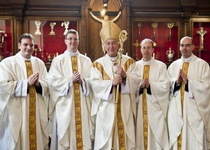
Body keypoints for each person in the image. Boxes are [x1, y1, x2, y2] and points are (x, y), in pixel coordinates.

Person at [90, 20, 137, 150]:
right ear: (104, 46)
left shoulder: (129, 62)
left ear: (118, 44)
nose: (111, 46)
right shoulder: (97, 64)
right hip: (106, 109)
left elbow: (136, 82)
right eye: (108, 43)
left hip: (125, 107)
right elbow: (95, 85)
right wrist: (112, 83)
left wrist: (125, 76)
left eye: (114, 43)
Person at [0, 33, 49, 149]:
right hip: (17, 110)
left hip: (36, 111)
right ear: (19, 46)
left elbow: (48, 85)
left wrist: (39, 84)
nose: (29, 48)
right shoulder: (7, 63)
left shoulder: (39, 63)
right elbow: (3, 86)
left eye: (31, 45)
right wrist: (25, 84)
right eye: (25, 45)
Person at [48, 29, 93, 150]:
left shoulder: (86, 61)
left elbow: (93, 82)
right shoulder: (58, 60)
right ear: (65, 41)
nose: (73, 41)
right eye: (70, 39)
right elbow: (52, 83)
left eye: (75, 39)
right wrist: (70, 80)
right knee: (65, 136)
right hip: (65, 106)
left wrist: (83, 81)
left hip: (83, 105)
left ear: (78, 41)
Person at [167, 36, 210, 150]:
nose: (184, 48)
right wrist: (176, 82)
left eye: (187, 45)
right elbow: (166, 87)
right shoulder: (173, 65)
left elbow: (206, 87)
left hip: (194, 111)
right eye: (182, 45)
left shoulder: (202, 65)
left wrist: (188, 82)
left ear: (193, 47)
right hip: (176, 110)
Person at [134, 38, 170, 150]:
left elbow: (165, 86)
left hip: (156, 108)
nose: (146, 50)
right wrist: (140, 86)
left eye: (148, 47)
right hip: (139, 107)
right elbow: (130, 87)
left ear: (153, 49)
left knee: (156, 136)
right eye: (144, 48)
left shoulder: (161, 66)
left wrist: (150, 85)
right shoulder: (134, 66)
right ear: (140, 50)